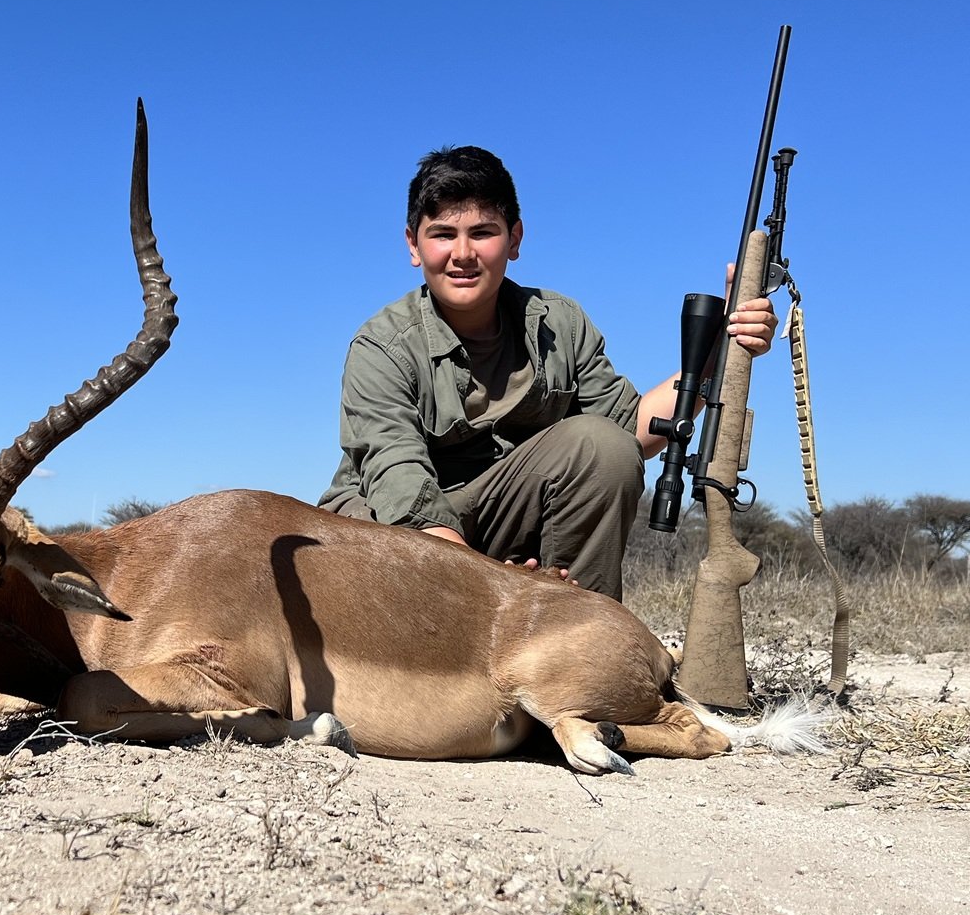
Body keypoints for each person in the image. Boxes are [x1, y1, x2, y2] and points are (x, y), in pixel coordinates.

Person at [319, 145, 776, 600]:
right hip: (392, 534)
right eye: (442, 234)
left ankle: (585, 645)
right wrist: (495, 581)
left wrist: (721, 353)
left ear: (515, 239)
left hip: (494, 535)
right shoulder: (380, 346)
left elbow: (631, 432)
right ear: (413, 245)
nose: (462, 254)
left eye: (482, 232)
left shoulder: (560, 322)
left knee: (603, 447)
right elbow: (400, 487)